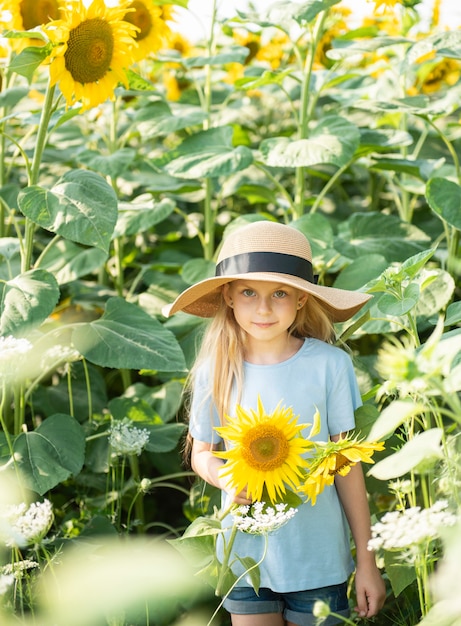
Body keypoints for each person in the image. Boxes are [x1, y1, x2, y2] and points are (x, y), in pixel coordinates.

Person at [164, 220, 386, 626]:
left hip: (318, 555)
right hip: (245, 551)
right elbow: (201, 454)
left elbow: (346, 465)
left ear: (302, 299)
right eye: (249, 292)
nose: (263, 308)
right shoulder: (216, 369)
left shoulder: (329, 365)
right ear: (228, 296)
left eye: (279, 293)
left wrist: (366, 559)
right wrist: (226, 477)